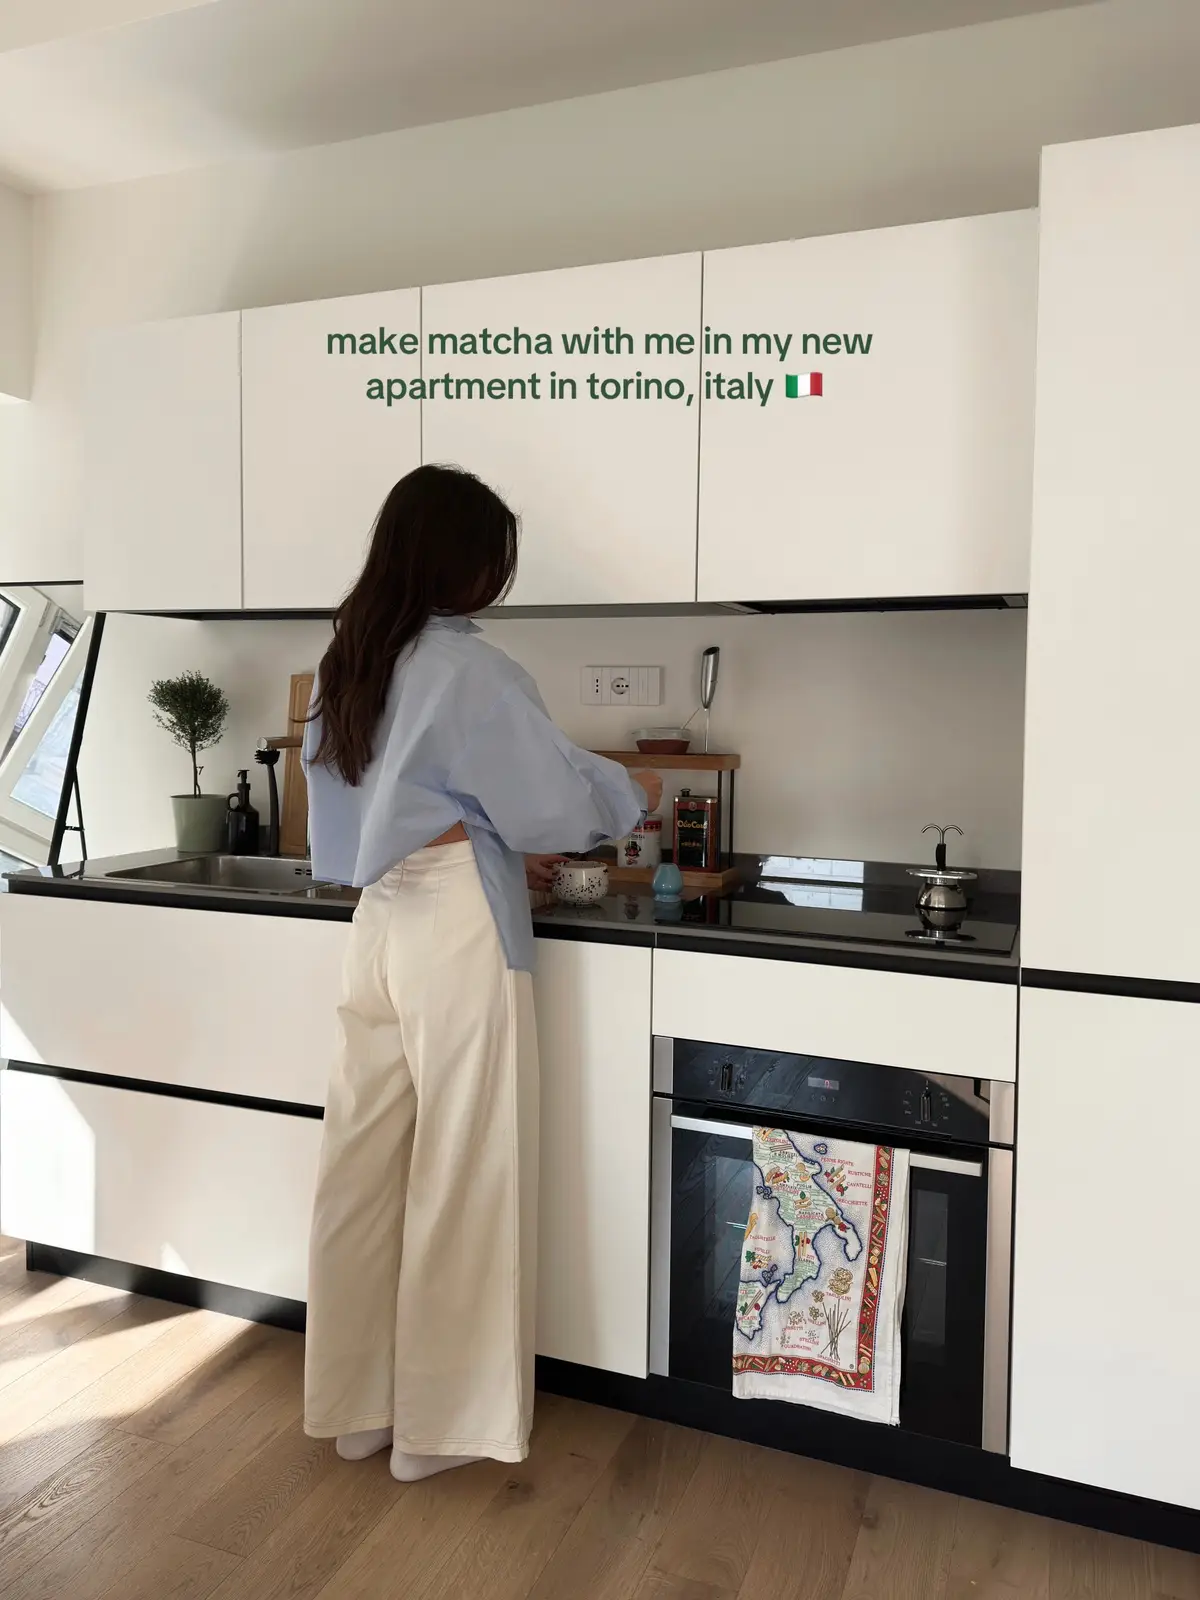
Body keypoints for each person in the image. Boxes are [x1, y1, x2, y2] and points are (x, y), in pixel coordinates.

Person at [300, 462, 663, 1484]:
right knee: (466, 1166)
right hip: (459, 921)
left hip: (378, 918)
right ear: (463, 561)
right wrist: (626, 793)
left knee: (362, 1165)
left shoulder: (350, 655)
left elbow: (377, 807)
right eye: (495, 559)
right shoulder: (471, 667)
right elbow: (551, 799)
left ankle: (359, 1407)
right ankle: (438, 1428)